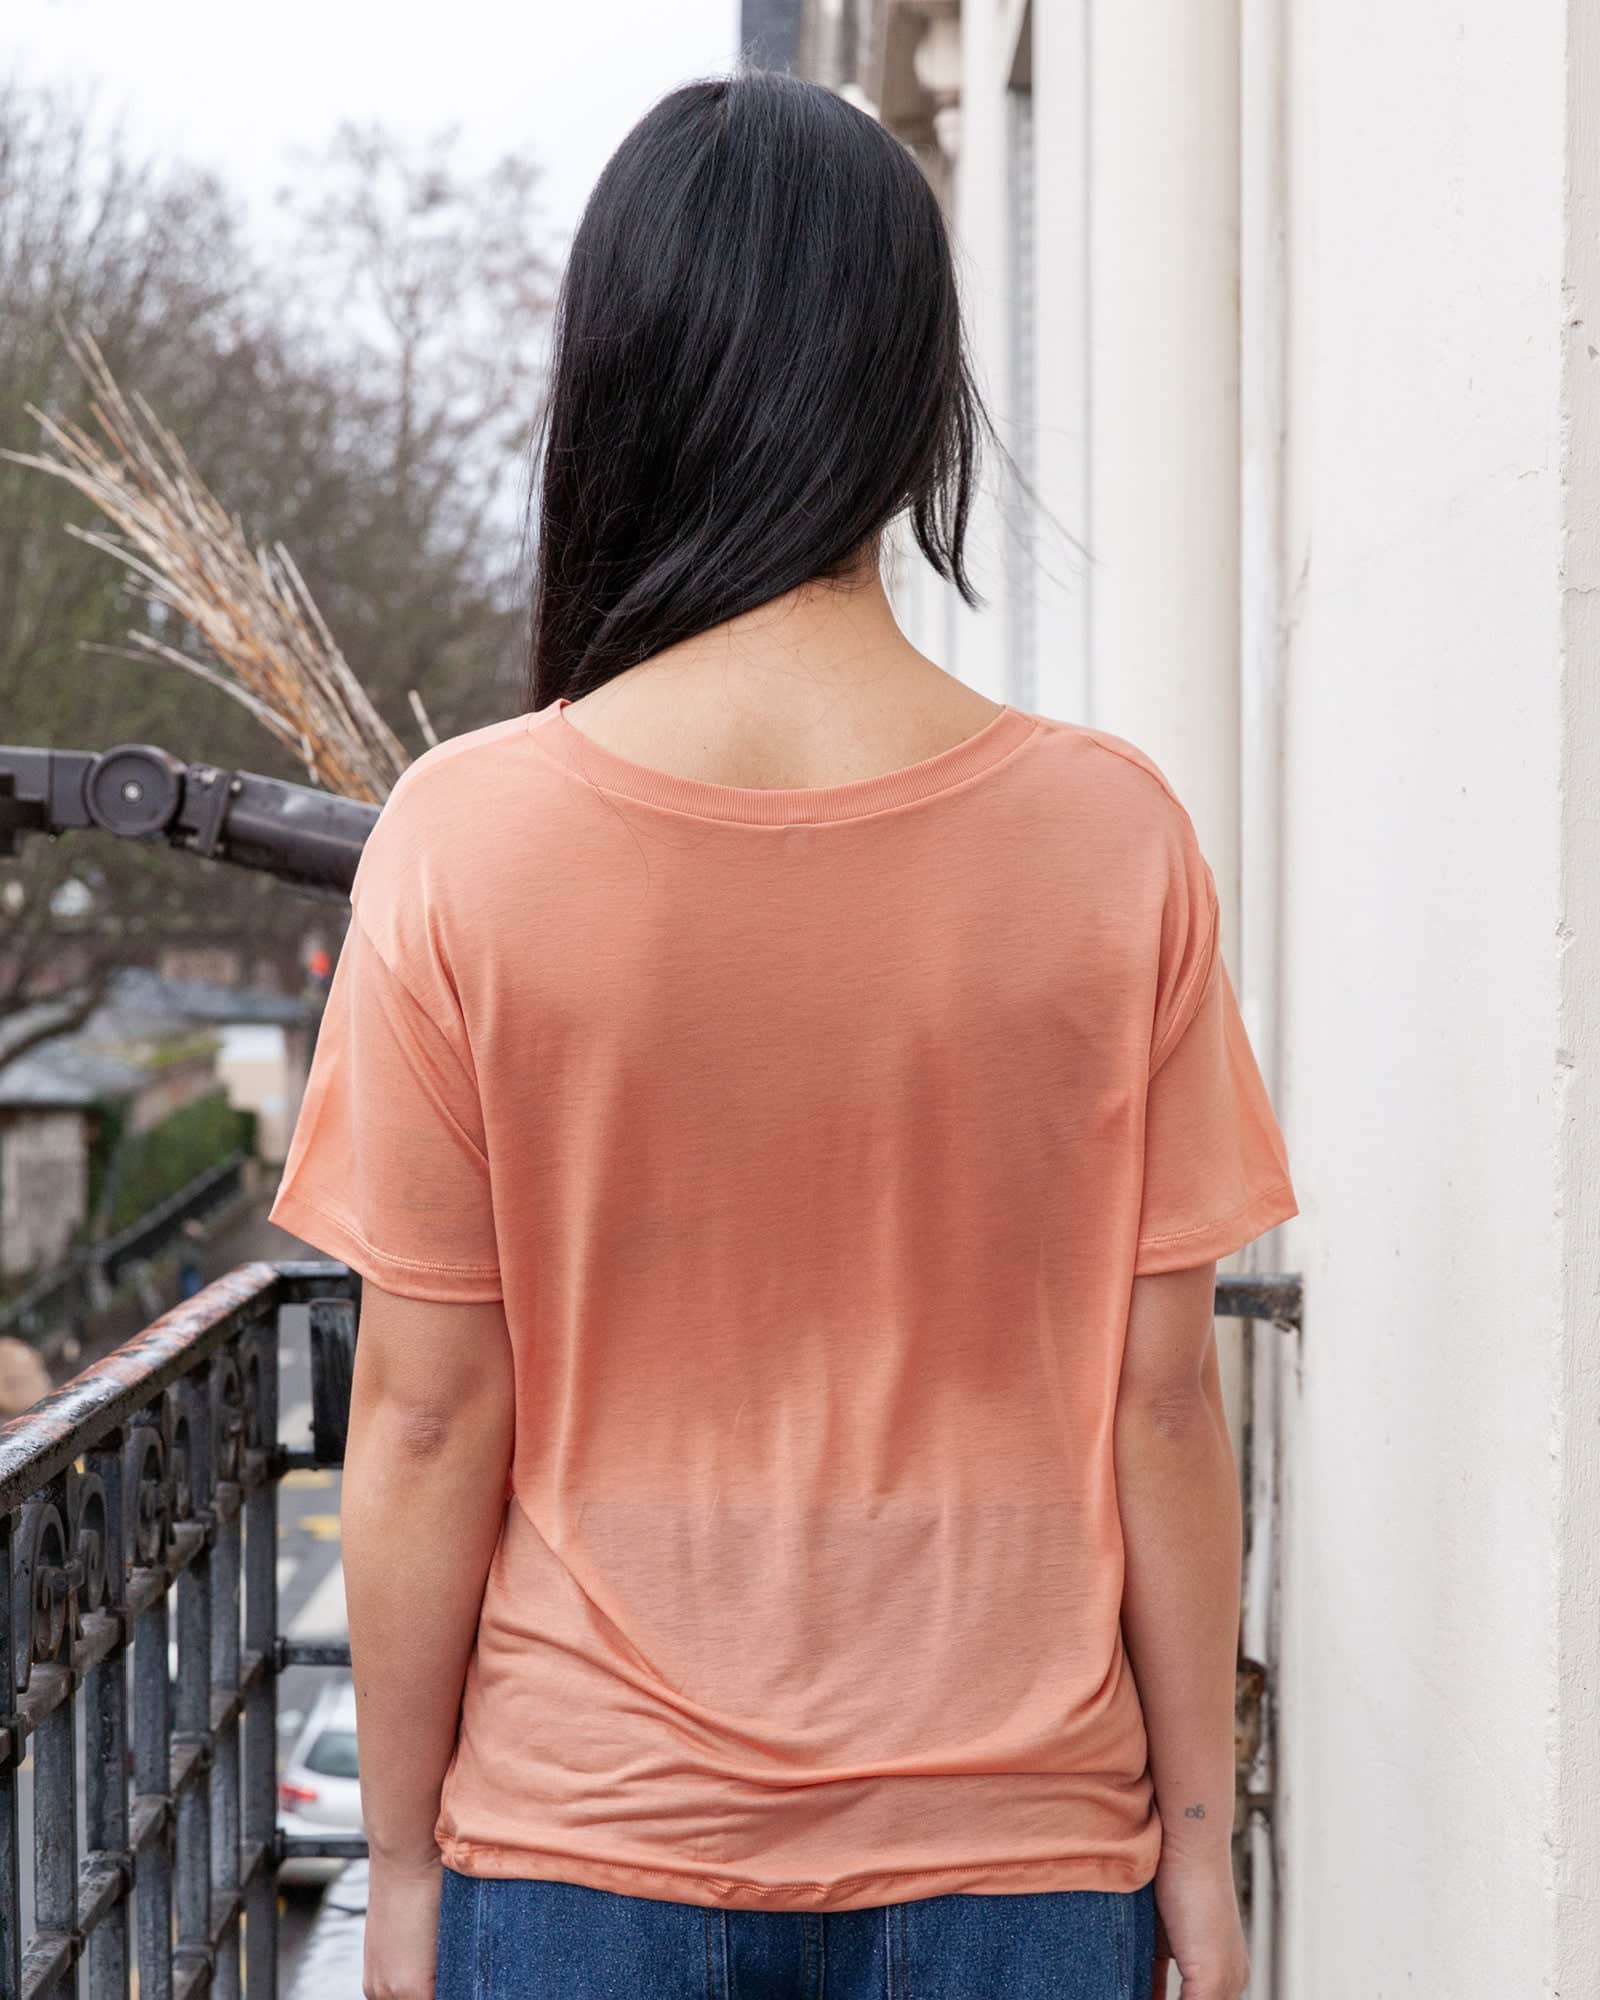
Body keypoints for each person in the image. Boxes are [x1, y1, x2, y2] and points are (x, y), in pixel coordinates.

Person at [269, 67, 1297, 2000]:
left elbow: (422, 1413)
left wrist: (401, 1866)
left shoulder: (464, 841)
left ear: (617, 391)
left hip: (585, 1850)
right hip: (1019, 1856)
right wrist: (1194, 1848)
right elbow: (1162, 1402)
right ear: (916, 402)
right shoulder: (1111, 836)